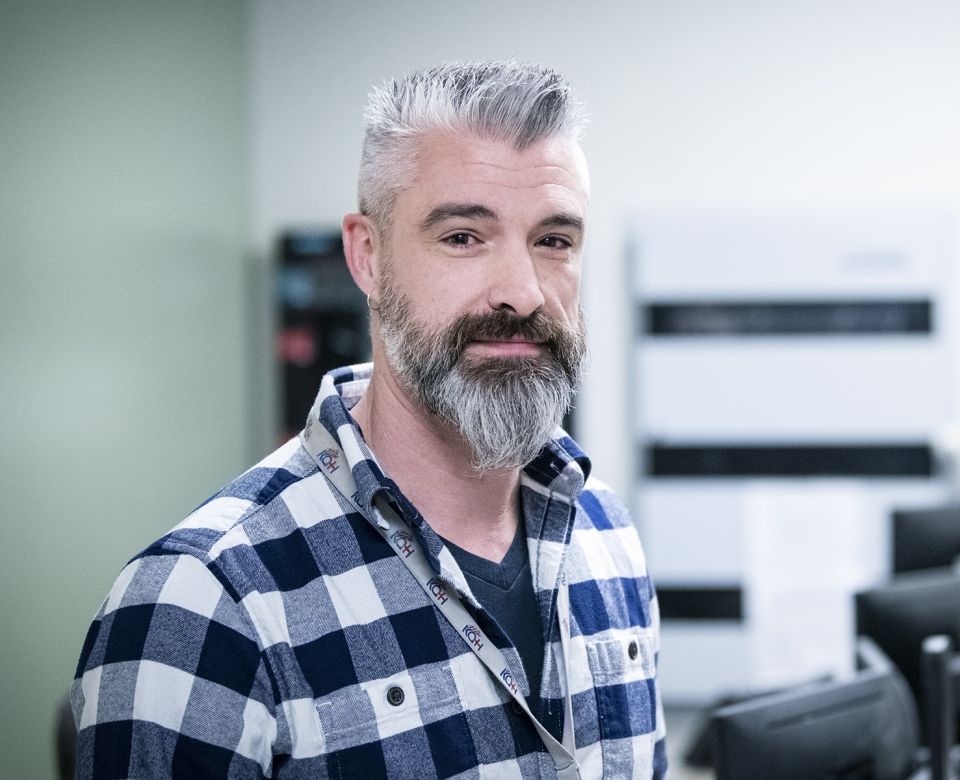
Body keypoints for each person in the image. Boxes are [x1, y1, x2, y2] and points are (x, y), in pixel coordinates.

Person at [72, 60, 666, 779]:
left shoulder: (607, 535)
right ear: (367, 256)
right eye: (463, 237)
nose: (523, 291)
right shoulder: (203, 602)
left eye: (554, 241)